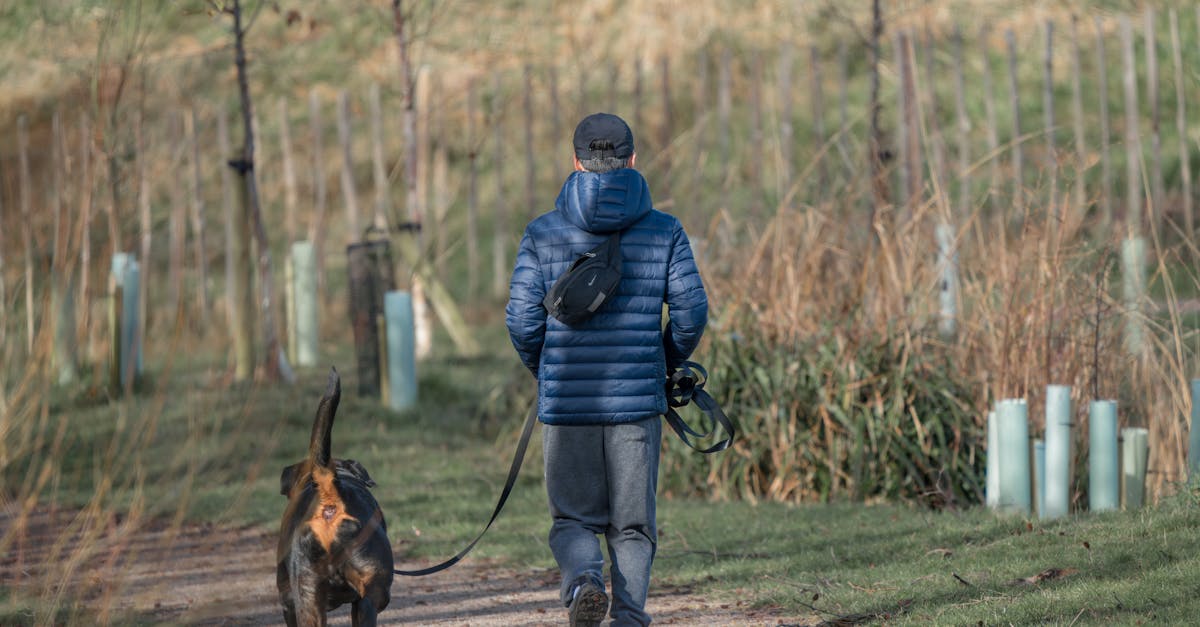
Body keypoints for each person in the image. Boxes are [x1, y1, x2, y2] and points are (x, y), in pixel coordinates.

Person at [505, 113, 708, 627]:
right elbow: (690, 314)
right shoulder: (666, 231)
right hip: (636, 408)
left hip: (569, 405)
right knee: (633, 525)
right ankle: (630, 618)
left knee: (572, 518)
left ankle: (583, 582)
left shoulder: (542, 233)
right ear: (633, 159)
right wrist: (663, 362)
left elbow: (522, 321)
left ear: (575, 162)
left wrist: (546, 369)